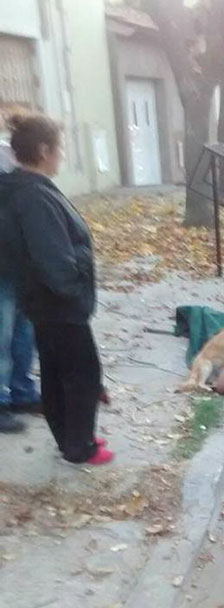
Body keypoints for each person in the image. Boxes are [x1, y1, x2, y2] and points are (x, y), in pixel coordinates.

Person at [0, 113, 112, 464]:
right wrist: (78, 282)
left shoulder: (25, 189)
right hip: (58, 302)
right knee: (82, 372)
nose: (62, 155)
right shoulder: (33, 197)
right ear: (44, 150)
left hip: (42, 300)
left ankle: (69, 439)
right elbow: (53, 259)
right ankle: (79, 446)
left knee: (55, 368)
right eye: (60, 148)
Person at [0, 134, 41, 433]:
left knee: (24, 332)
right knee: (1, 337)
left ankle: (22, 392)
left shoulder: (6, 151)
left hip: (20, 261)